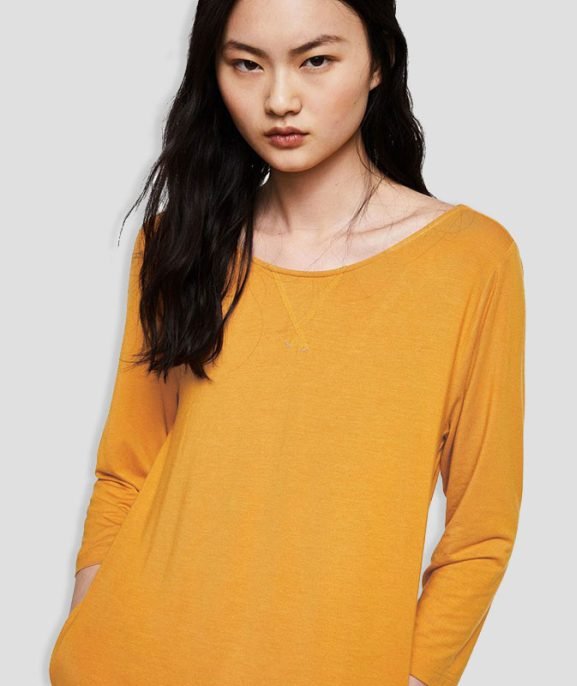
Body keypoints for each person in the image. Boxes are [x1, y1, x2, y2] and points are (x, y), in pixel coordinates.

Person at [49, 1, 526, 685]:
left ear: (380, 63)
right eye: (247, 65)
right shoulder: (179, 242)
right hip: (126, 661)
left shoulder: (470, 262)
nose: (279, 99)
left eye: (316, 61)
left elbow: (480, 531)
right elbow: (126, 470)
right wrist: (85, 624)